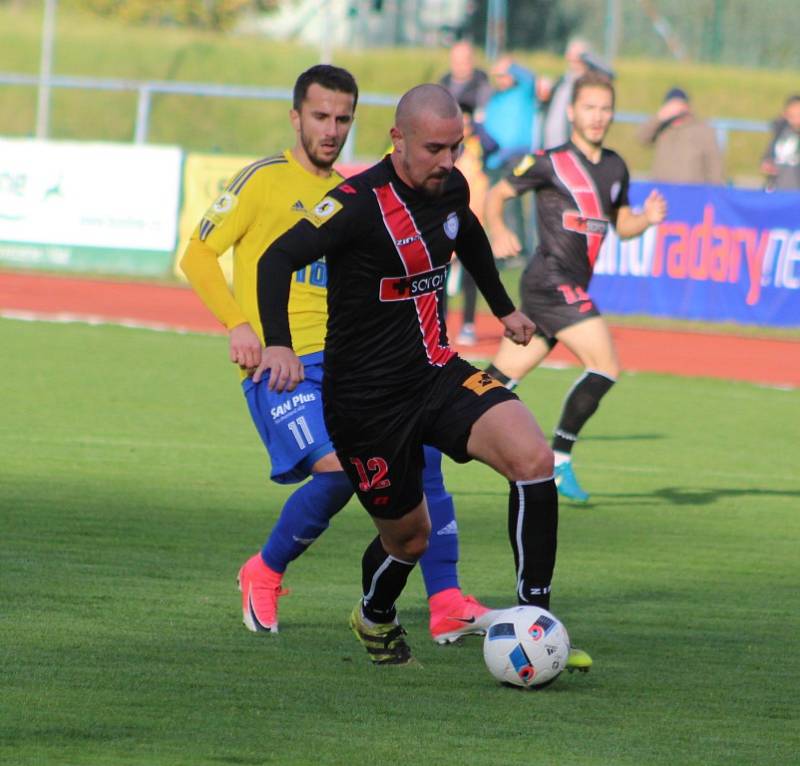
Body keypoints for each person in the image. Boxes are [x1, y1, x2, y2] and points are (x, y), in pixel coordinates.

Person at [252, 83, 592, 672]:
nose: (447, 162)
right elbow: (275, 258)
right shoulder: (355, 203)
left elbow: (471, 235)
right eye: (435, 148)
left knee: (533, 460)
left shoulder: (451, 185)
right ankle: (374, 613)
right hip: (366, 406)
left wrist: (503, 307)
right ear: (398, 139)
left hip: (437, 374)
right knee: (410, 539)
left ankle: (536, 621)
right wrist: (278, 345)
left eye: (455, 147)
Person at [180, 65, 499, 646]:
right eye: (321, 116)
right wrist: (240, 324)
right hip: (285, 364)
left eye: (344, 118)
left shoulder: (354, 191)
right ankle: (265, 569)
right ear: (295, 115)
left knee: (425, 457)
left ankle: (447, 600)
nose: (332, 129)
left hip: (357, 366)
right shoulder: (261, 181)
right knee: (339, 470)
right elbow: (198, 255)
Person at [485, 71, 667, 503]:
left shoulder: (616, 166)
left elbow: (622, 226)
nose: (598, 116)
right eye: (589, 107)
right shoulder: (549, 161)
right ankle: (560, 459)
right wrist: (496, 229)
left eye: (605, 108)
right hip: (551, 283)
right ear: (571, 111)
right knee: (605, 366)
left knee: (495, 382)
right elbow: (497, 195)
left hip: (558, 289)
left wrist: (647, 220)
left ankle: (429, 434)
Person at [483, 55, 539, 259]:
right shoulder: (495, 98)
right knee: (493, 201)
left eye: (505, 75)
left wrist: (512, 66)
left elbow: (530, 77)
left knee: (511, 201)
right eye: (499, 75)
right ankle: (500, 245)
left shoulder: (523, 92)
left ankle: (517, 247)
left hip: (517, 156)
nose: (501, 79)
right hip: (494, 159)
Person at [637, 87, 725, 185]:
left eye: (678, 105)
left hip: (692, 192)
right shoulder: (662, 127)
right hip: (662, 191)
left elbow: (715, 167)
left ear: (686, 106)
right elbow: (642, 138)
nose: (674, 110)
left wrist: (715, 193)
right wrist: (659, 117)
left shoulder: (703, 130)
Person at [541, 38, 615, 150]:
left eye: (580, 56)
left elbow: (610, 74)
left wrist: (586, 57)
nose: (575, 59)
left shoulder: (588, 84)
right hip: (550, 146)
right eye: (572, 55)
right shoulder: (561, 82)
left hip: (573, 148)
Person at [438, 39, 491, 115]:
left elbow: (483, 117)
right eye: (456, 62)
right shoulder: (442, 85)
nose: (459, 66)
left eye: (464, 62)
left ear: (473, 61)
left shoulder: (483, 87)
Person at [760, 94, 800, 190]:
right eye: (792, 115)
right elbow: (768, 156)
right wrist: (767, 163)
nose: (796, 119)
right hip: (777, 190)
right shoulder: (780, 132)